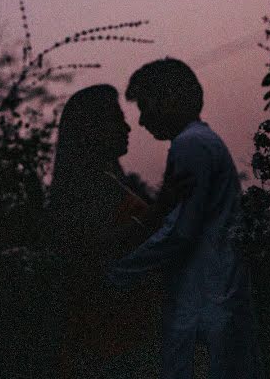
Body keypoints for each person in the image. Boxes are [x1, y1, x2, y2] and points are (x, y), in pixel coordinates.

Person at [107, 58, 263, 379]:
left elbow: (180, 233)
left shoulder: (189, 145)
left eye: (146, 106)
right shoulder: (201, 142)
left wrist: (119, 272)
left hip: (204, 305)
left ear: (170, 100)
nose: (142, 120)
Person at [46, 84, 170, 379]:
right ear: (92, 128)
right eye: (116, 119)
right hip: (110, 350)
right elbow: (89, 256)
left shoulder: (113, 184)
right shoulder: (82, 193)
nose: (127, 127)